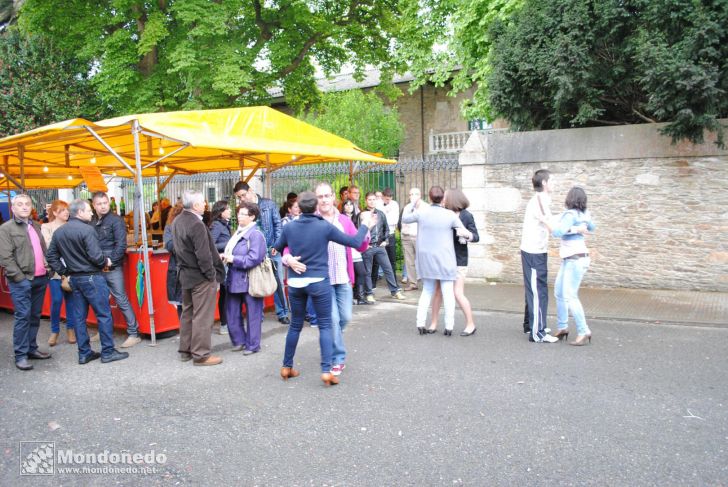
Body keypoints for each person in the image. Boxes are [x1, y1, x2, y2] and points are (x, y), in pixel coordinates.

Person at [273, 191, 373, 386]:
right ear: (315, 206)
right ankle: (327, 370)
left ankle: (286, 366)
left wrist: (288, 258)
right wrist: (366, 225)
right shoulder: (323, 226)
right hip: (319, 281)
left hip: (295, 283)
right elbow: (354, 242)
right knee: (326, 325)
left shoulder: (290, 227)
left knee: (295, 326)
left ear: (298, 207)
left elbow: (275, 247)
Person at [47, 199, 129, 365]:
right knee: (104, 315)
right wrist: (105, 261)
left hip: (75, 279)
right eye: (89, 210)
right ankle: (107, 351)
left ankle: (84, 353)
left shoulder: (60, 232)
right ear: (79, 212)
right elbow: (95, 256)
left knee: (79, 317)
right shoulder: (87, 230)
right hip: (92, 277)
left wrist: (65, 272)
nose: (92, 213)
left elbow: (51, 257)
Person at [401, 186, 472, 336]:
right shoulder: (451, 215)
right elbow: (463, 230)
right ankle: (449, 326)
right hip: (446, 259)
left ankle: (420, 323)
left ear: (429, 197)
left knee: (427, 291)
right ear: (442, 199)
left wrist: (413, 203)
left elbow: (405, 218)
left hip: (426, 259)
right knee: (448, 291)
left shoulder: (421, 213)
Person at [170, 189, 225, 366]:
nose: (205, 204)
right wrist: (211, 276)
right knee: (202, 316)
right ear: (195, 205)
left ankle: (185, 350)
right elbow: (204, 255)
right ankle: (201, 355)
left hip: (185, 274)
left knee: (188, 313)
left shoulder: (177, 220)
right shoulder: (196, 224)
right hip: (200, 276)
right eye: (202, 202)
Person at [0, 194, 51, 370]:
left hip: (40, 278)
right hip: (22, 280)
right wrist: (20, 278)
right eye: (19, 204)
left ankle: (31, 349)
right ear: (13, 208)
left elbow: (43, 250)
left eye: (27, 204)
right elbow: (5, 257)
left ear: (31, 208)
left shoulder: (36, 226)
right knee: (23, 317)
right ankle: (20, 355)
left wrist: (48, 270)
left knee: (35, 316)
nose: (23, 207)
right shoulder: (6, 229)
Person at [541, 187, 596, 346]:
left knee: (570, 296)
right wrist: (579, 228)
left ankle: (584, 330)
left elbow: (557, 232)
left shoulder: (571, 214)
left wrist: (545, 222)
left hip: (575, 259)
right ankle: (563, 327)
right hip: (571, 259)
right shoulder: (583, 214)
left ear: (569, 199)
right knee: (559, 292)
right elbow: (592, 228)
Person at [234, 181, 289, 324]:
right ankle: (259, 314)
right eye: (239, 197)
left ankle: (282, 313)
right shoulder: (243, 209)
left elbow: (278, 225)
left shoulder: (268, 204)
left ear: (251, 191)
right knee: (256, 282)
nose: (242, 199)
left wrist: (277, 246)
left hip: (272, 248)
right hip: (254, 251)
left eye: (243, 195)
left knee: (278, 282)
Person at [91, 191, 141, 348]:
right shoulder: (91, 221)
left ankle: (134, 333)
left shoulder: (116, 220)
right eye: (99, 204)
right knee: (100, 299)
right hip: (96, 261)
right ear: (94, 205)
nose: (103, 206)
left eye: (105, 203)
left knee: (120, 298)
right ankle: (104, 330)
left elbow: (121, 244)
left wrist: (111, 261)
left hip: (111, 261)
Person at [428, 189, 480, 336]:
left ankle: (470, 324)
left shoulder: (466, 215)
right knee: (438, 291)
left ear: (453, 199)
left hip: (459, 259)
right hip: (444, 258)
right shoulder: (444, 213)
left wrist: (466, 234)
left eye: (445, 198)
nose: (443, 200)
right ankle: (433, 323)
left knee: (457, 293)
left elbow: (476, 236)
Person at [520, 169, 559, 343]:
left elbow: (551, 220)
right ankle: (538, 333)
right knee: (538, 291)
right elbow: (552, 228)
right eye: (552, 180)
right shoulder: (539, 201)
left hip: (535, 250)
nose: (554, 183)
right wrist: (576, 229)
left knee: (534, 288)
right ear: (544, 183)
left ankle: (531, 324)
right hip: (534, 252)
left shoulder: (541, 200)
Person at [223, 201, 266, 355]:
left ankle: (253, 345)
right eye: (239, 213)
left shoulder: (255, 234)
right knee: (232, 312)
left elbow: (254, 259)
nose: (239, 216)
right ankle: (239, 341)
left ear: (252, 216)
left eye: (243, 214)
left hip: (249, 279)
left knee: (253, 314)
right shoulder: (239, 232)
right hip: (234, 278)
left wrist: (233, 259)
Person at [356, 192, 405, 303]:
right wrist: (364, 244)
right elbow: (359, 230)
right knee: (368, 271)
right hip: (368, 247)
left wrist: (385, 240)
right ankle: (369, 293)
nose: (372, 201)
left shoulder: (381, 214)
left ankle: (395, 291)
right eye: (369, 199)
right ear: (366, 200)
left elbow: (386, 229)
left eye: (374, 199)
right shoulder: (362, 215)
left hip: (379, 246)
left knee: (388, 269)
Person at [40, 200, 77, 346]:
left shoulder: (72, 226)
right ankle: (54, 331)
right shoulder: (46, 226)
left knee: (71, 301)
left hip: (72, 269)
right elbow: (49, 246)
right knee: (56, 300)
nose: (66, 212)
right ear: (54, 212)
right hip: (55, 270)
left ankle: (70, 329)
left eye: (67, 210)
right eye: (62, 210)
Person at [209, 200, 232, 335]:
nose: (229, 210)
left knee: (226, 293)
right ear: (220, 212)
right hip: (221, 264)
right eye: (227, 209)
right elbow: (210, 244)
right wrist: (229, 243)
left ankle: (226, 322)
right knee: (224, 293)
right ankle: (224, 324)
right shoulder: (217, 225)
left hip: (226, 262)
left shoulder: (224, 224)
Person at [343, 200, 368, 305]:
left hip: (355, 248)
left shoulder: (357, 218)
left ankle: (360, 296)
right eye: (347, 204)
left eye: (351, 204)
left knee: (361, 272)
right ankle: (351, 296)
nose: (349, 207)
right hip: (346, 247)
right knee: (348, 273)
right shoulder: (341, 218)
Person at [400, 188, 424, 291]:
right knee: (409, 261)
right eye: (410, 194)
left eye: (415, 194)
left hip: (419, 236)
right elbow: (403, 221)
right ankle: (413, 283)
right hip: (406, 236)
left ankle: (429, 282)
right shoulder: (407, 207)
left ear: (420, 195)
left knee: (423, 260)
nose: (412, 196)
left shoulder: (425, 207)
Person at [163, 203, 184, 319]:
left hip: (190, 271)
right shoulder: (170, 227)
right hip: (177, 269)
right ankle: (186, 335)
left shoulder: (195, 225)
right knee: (181, 305)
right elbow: (168, 244)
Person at [379, 187, 400, 282]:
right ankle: (374, 283)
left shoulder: (395, 204)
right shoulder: (378, 203)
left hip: (390, 234)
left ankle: (393, 281)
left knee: (392, 259)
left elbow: (394, 220)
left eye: (390, 198)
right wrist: (386, 212)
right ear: (383, 197)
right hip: (379, 235)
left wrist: (385, 215)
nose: (389, 200)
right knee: (377, 260)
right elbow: (378, 219)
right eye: (387, 199)